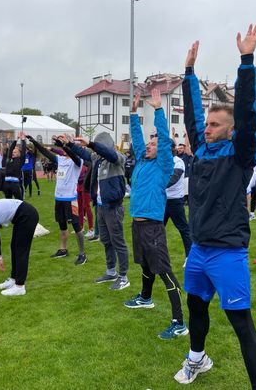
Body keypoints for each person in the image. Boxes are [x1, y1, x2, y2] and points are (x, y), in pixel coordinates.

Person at [175, 29, 256, 388]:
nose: (207, 129)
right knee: (196, 306)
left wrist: (246, 61)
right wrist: (188, 72)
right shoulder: (201, 149)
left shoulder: (240, 154)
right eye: (208, 124)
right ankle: (197, 359)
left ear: (230, 131)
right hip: (199, 250)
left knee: (241, 324)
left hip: (227, 252)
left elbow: (246, 113)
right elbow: (192, 118)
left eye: (215, 125)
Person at [123, 89, 187, 341]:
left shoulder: (163, 164)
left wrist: (159, 109)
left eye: (154, 144)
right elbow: (137, 138)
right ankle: (146, 298)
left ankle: (179, 322)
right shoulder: (142, 161)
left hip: (152, 226)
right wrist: (133, 113)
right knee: (145, 264)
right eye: (149, 144)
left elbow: (162, 137)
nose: (149, 145)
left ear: (164, 151)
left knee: (163, 270)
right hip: (137, 224)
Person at [70, 131, 130, 290]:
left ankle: (124, 277)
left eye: (98, 146)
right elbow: (83, 153)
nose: (95, 151)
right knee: (106, 240)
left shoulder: (117, 158)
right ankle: (111, 272)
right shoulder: (98, 159)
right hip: (101, 207)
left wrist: (91, 144)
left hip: (113, 207)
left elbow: (108, 153)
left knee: (118, 242)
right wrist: (67, 144)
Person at [28, 134, 86, 265]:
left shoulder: (78, 161)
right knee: (62, 225)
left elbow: (73, 156)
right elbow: (45, 152)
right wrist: (34, 142)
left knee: (76, 226)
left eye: (65, 146)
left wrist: (64, 145)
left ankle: (82, 254)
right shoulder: (60, 159)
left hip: (70, 199)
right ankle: (63, 249)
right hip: (59, 198)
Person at [163, 149, 192, 264]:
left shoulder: (178, 162)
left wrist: (157, 186)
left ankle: (189, 257)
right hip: (162, 200)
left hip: (175, 201)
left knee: (183, 229)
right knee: (157, 229)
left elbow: (173, 179)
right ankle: (160, 257)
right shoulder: (161, 161)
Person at [2, 135, 26, 199]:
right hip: (6, 184)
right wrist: (16, 140)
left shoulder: (20, 160)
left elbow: (23, 151)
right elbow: (10, 149)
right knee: (8, 201)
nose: (13, 153)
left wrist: (23, 140)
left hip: (14, 184)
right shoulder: (9, 159)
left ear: (19, 154)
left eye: (15, 152)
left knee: (19, 201)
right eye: (13, 152)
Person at [76, 163, 94, 238]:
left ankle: (91, 229)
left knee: (87, 207)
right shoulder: (77, 165)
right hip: (78, 186)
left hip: (85, 187)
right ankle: (81, 227)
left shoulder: (85, 167)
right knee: (79, 207)